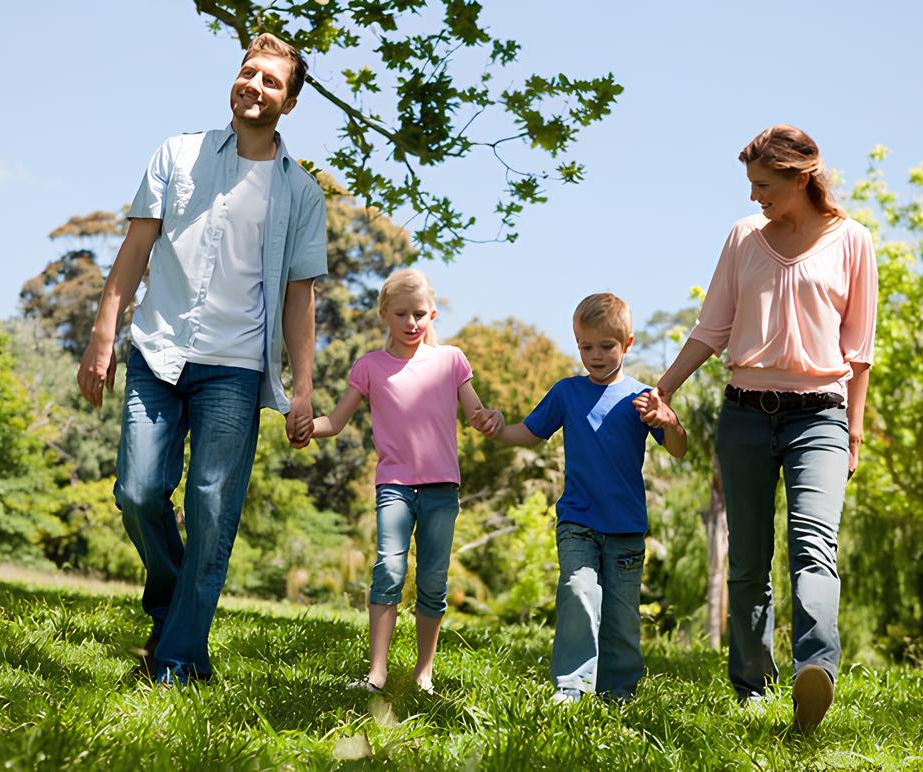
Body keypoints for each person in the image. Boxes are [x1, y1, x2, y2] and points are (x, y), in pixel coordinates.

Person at [75, 33, 326, 686]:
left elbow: (300, 297)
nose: (254, 86)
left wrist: (302, 388)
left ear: (289, 103)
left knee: (213, 514)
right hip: (158, 350)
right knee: (137, 493)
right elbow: (135, 250)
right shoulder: (177, 154)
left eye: (271, 81)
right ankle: (172, 610)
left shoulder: (302, 194)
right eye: (249, 72)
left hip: (236, 371)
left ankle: (176, 662)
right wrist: (103, 334)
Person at [637, 124, 877, 733]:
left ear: (801, 178)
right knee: (747, 558)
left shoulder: (852, 241)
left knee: (813, 546)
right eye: (751, 184)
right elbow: (712, 327)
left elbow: (860, 351)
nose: (754, 196)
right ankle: (752, 685)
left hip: (819, 417)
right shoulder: (744, 237)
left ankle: (814, 669)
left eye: (764, 184)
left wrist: (852, 433)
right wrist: (665, 387)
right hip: (744, 414)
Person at [478, 293, 687, 703]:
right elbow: (530, 434)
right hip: (578, 521)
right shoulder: (566, 393)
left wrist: (669, 420)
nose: (595, 356)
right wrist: (498, 429)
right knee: (578, 590)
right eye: (586, 346)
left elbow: (679, 449)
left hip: (626, 527)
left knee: (621, 617)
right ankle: (571, 687)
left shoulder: (643, 398)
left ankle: (618, 693)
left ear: (627, 344)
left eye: (606, 346)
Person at [311, 268, 500, 695]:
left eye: (419, 313)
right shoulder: (370, 367)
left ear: (432, 313)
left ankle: (423, 673)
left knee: (433, 580)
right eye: (401, 314)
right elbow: (335, 422)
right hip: (394, 486)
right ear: (384, 314)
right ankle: (377, 675)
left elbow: (477, 414)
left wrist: (493, 418)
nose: (412, 323)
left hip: (441, 488)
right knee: (388, 570)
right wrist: (304, 425)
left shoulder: (451, 360)